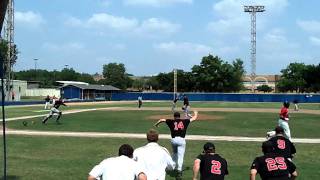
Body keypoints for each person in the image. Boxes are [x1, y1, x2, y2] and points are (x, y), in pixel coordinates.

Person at [154, 111, 199, 179]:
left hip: (174, 140)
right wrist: (196, 113)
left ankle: (172, 167)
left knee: (175, 153)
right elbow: (194, 118)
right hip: (181, 140)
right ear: (179, 116)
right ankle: (179, 170)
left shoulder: (171, 121)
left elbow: (162, 120)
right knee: (181, 155)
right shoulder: (185, 121)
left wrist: (157, 124)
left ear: (174, 117)